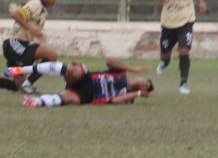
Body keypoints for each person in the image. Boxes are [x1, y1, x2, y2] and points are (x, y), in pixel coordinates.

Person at [147, 0, 207, 95]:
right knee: (165, 53)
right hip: (168, 21)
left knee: (184, 50)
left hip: (187, 18)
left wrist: (200, 1)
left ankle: (183, 83)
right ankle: (165, 62)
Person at [4, 60, 155, 107]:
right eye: (145, 81)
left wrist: (139, 93)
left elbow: (114, 101)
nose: (143, 84)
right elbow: (109, 61)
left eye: (145, 87)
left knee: (71, 99)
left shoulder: (129, 96)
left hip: (89, 95)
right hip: (86, 79)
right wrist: (133, 68)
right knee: (75, 70)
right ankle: (19, 70)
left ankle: (35, 102)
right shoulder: (121, 73)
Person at [1, 0, 59, 94]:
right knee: (52, 55)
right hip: (14, 43)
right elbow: (15, 14)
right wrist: (31, 29)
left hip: (22, 46)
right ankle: (27, 84)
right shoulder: (35, 4)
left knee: (17, 86)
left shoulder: (43, 11)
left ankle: (24, 84)